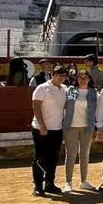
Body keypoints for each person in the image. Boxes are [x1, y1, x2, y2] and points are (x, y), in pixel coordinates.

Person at [30, 64, 68, 196]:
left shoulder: (64, 89)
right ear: (53, 74)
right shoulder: (42, 88)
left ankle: (49, 184)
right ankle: (38, 186)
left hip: (57, 128)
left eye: (64, 76)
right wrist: (42, 126)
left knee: (53, 157)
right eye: (59, 75)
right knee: (40, 158)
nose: (62, 78)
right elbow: (36, 108)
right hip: (41, 128)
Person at [61, 69, 97, 193]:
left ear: (89, 79)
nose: (83, 80)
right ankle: (68, 182)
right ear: (76, 79)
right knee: (71, 154)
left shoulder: (93, 93)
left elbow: (97, 111)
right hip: (71, 126)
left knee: (84, 154)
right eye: (80, 77)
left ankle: (83, 181)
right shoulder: (71, 90)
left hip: (87, 127)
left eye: (85, 77)